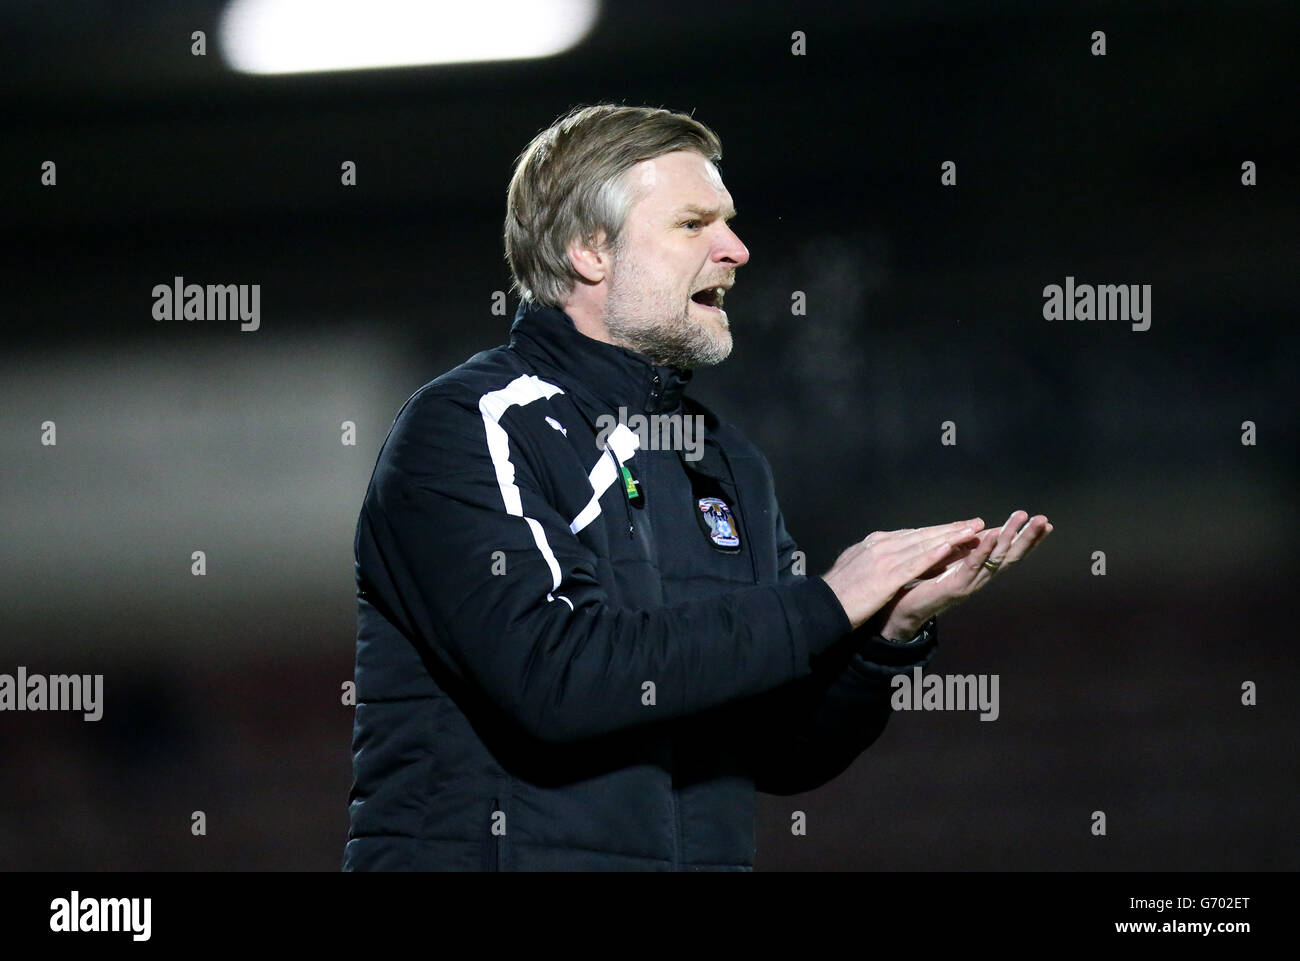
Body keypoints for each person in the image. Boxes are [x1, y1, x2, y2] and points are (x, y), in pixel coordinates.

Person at [342, 103, 1051, 871]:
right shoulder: (471, 426)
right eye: (693, 224)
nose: (737, 250)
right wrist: (827, 600)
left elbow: (779, 752)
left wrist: (883, 637)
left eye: (730, 221)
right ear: (589, 250)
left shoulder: (725, 461)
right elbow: (554, 677)